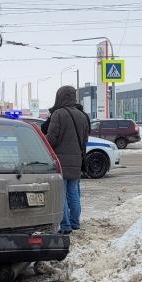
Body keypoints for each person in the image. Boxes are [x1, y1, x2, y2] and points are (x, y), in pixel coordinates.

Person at [44, 85, 90, 235]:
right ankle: (75, 222)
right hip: (77, 160)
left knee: (61, 194)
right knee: (74, 192)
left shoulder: (58, 114)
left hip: (61, 161)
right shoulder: (82, 116)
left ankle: (65, 225)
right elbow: (85, 140)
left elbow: (51, 139)